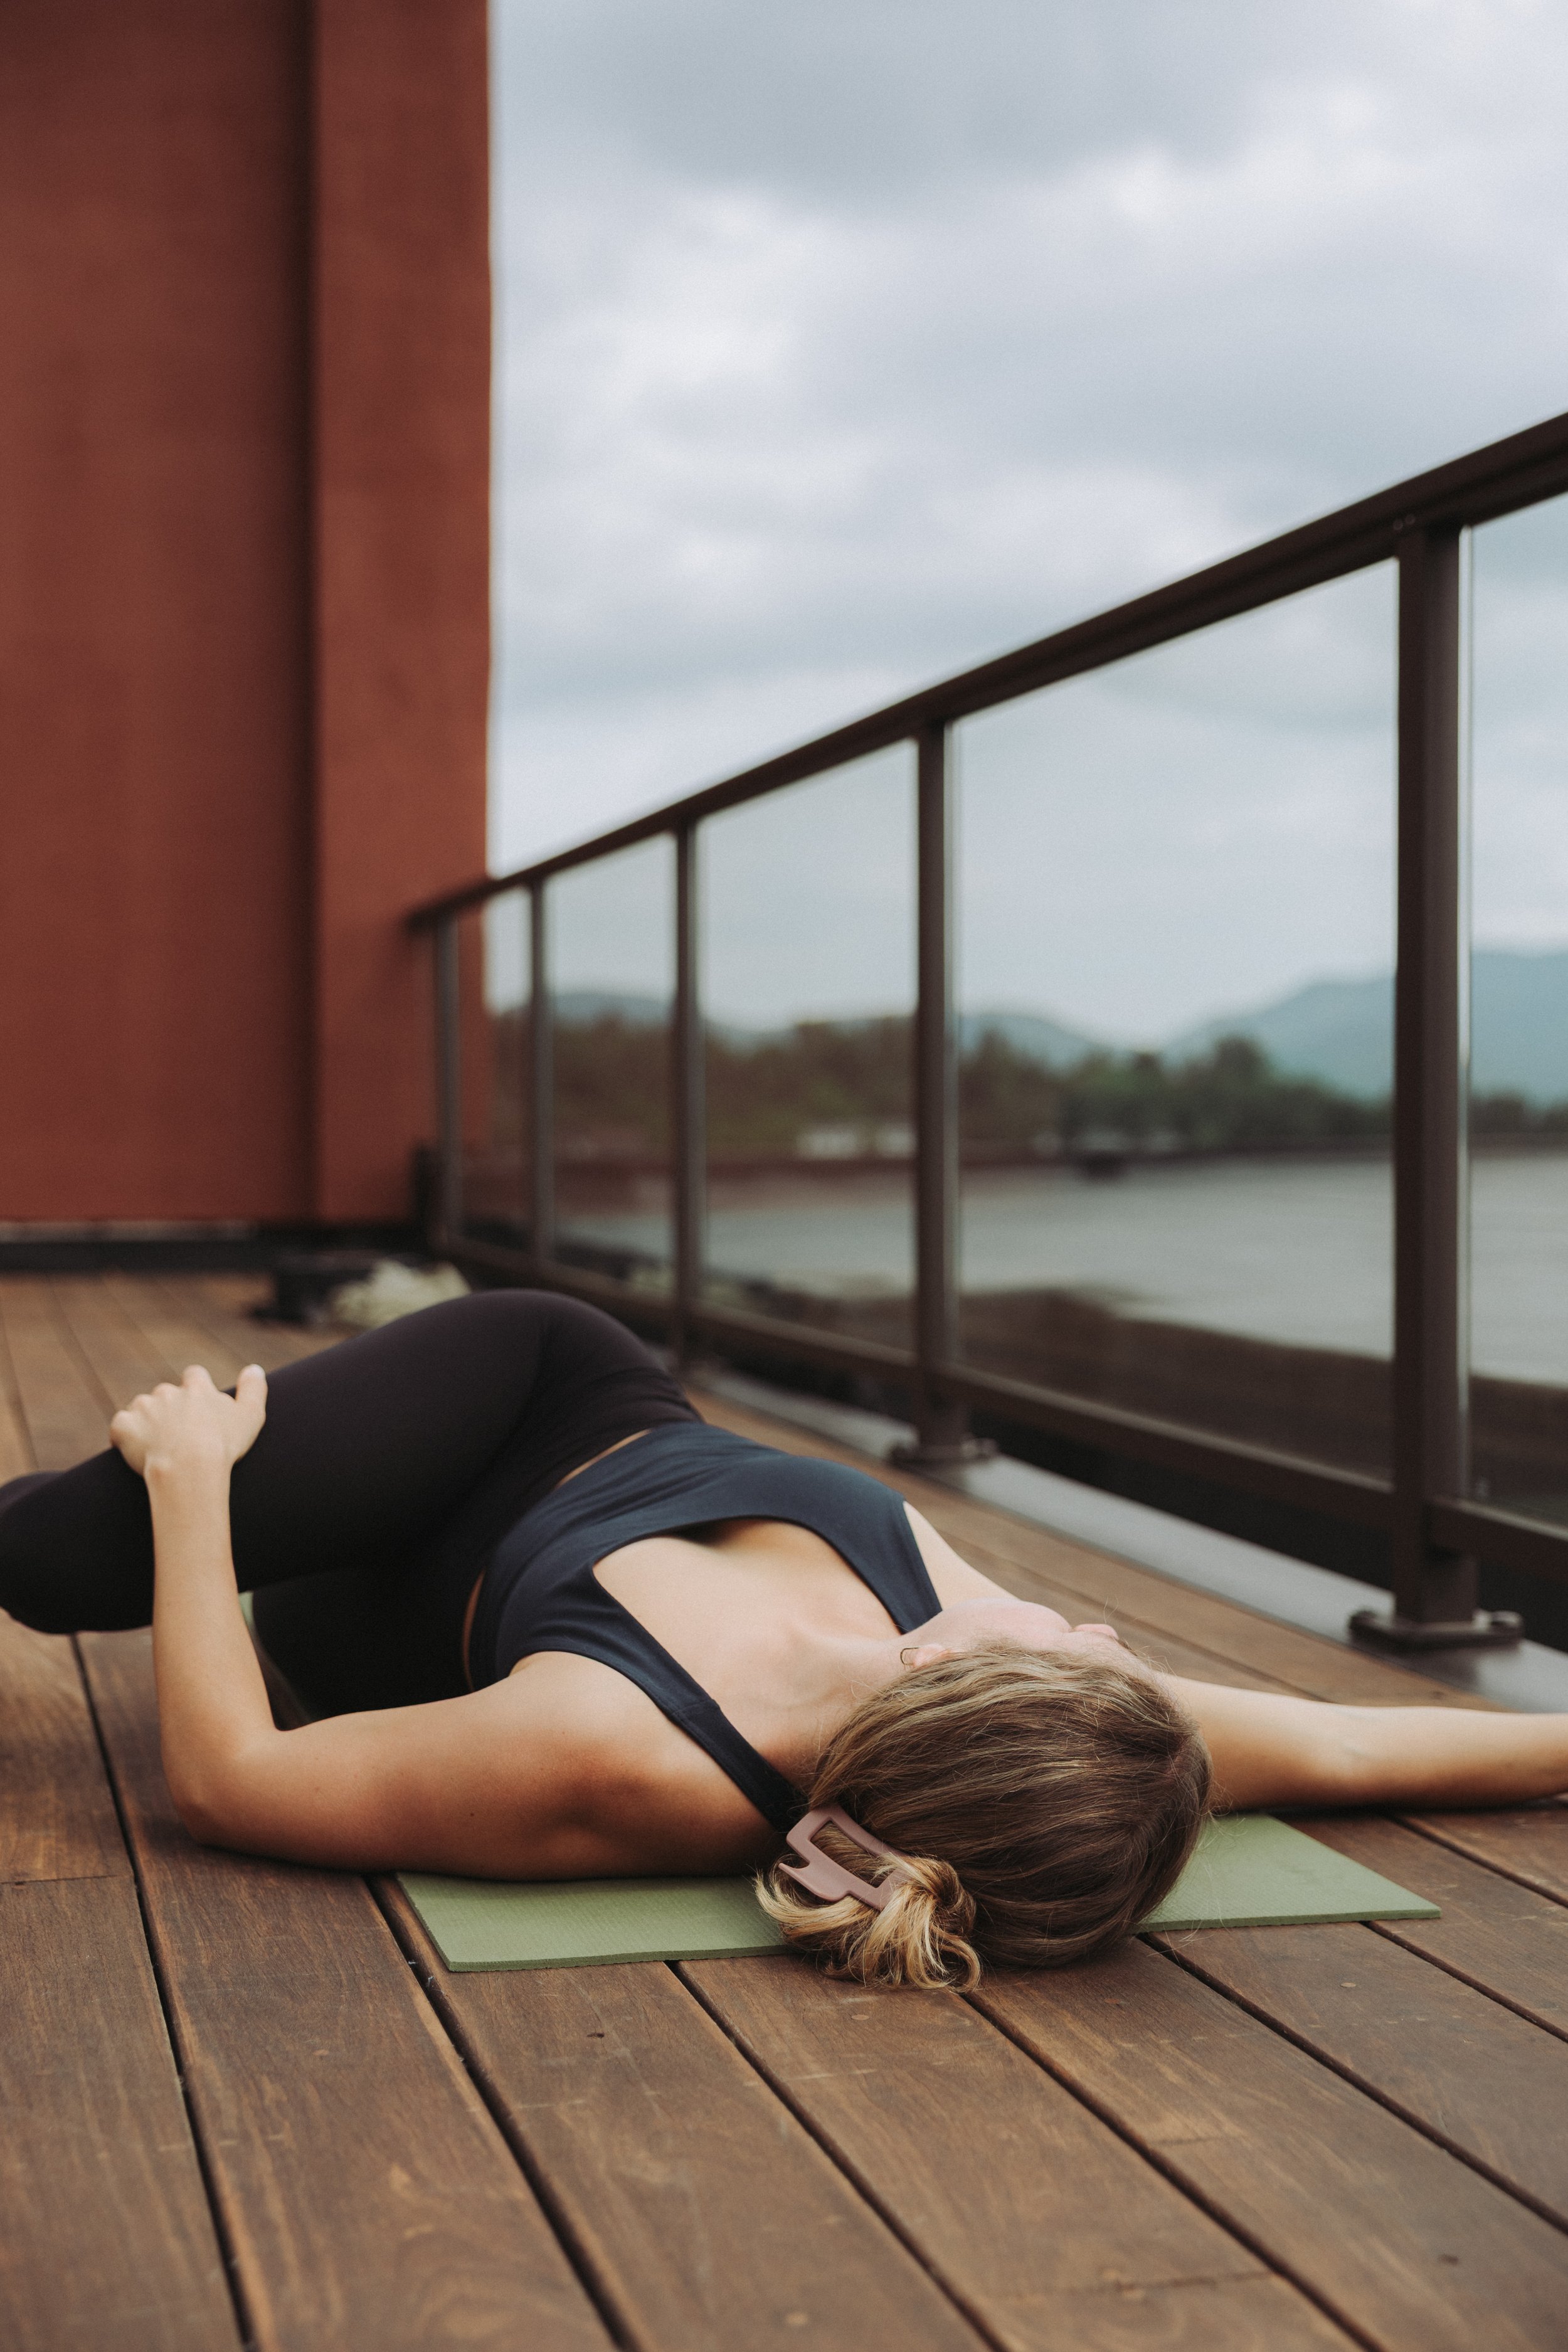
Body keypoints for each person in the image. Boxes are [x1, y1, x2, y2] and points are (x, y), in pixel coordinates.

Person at [2, 1291, 1564, 1991]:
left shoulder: (624, 1760)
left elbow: (227, 1777)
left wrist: (195, 1490)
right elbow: (1358, 1742)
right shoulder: (1076, 1745)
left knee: (63, 1552)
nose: (1094, 1626)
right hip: (553, 1391)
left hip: (382, 1609)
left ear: (949, 1672)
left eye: (1075, 1642)